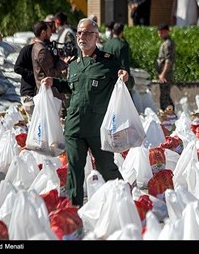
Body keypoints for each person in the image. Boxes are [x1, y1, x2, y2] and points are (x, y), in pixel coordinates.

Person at [41, 18, 135, 206]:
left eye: (86, 33)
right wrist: (54, 83)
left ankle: (124, 201)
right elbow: (71, 87)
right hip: (74, 125)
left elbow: (128, 83)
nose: (81, 37)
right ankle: (74, 207)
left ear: (96, 36)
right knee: (74, 168)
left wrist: (126, 78)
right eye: (79, 33)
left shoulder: (108, 62)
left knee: (106, 167)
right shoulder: (74, 63)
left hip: (98, 127)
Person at [31, 21, 69, 116]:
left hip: (47, 92)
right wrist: (63, 63)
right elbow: (51, 73)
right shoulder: (42, 50)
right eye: (49, 31)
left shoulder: (37, 47)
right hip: (49, 93)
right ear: (43, 33)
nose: (51, 34)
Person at [14, 39, 36, 120]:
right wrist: (33, 74)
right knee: (34, 122)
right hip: (29, 93)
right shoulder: (27, 51)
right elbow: (17, 68)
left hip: (38, 93)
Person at [156, 23, 176, 111]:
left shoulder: (168, 44)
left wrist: (163, 75)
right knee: (165, 96)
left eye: (160, 32)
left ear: (165, 32)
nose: (159, 34)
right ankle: (170, 117)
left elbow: (168, 61)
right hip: (165, 75)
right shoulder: (166, 43)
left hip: (166, 76)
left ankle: (169, 118)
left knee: (164, 99)